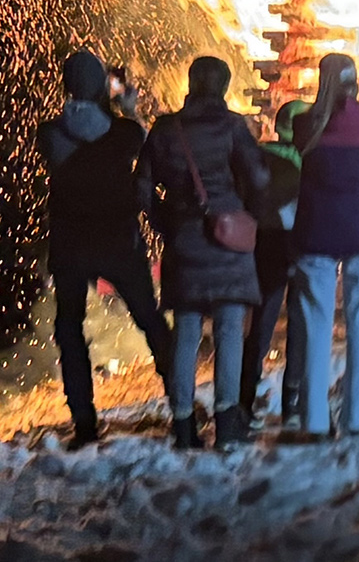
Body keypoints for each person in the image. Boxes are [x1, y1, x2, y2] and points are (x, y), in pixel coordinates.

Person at [36, 51, 170, 448]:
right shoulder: (124, 133)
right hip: (118, 243)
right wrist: (125, 106)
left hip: (70, 248)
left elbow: (74, 131)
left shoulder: (49, 134)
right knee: (150, 319)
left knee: (70, 331)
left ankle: (84, 424)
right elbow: (140, 140)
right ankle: (180, 403)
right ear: (100, 88)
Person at [137, 55, 268, 451]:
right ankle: (228, 423)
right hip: (229, 240)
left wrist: (167, 222)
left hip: (185, 242)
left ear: (191, 83)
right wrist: (246, 211)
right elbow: (259, 177)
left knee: (187, 332)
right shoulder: (233, 128)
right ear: (223, 87)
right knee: (230, 330)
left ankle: (183, 425)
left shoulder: (164, 130)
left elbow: (141, 189)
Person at [291, 52, 359, 439]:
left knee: (316, 328)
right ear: (356, 83)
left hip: (316, 233)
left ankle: (314, 422)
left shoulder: (305, 127)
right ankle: (358, 419)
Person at [240, 98, 308, 429]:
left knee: (261, 324)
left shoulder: (259, 155)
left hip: (265, 243)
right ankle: (292, 404)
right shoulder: (308, 159)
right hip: (301, 243)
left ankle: (247, 398)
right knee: (299, 323)